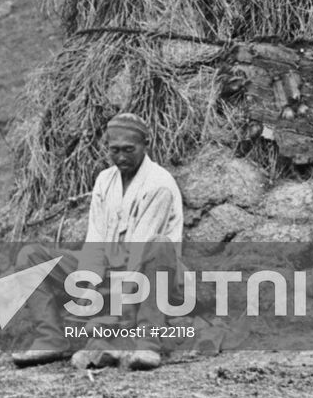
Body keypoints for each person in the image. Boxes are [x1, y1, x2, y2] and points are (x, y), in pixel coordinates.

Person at [13, 111, 184, 371]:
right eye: (114, 150)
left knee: (159, 246)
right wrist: (86, 288)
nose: (122, 157)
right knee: (31, 256)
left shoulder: (158, 185)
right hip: (110, 275)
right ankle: (52, 338)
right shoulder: (105, 180)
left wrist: (108, 315)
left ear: (145, 145)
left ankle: (147, 342)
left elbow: (138, 256)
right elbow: (95, 242)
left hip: (147, 277)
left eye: (129, 149)